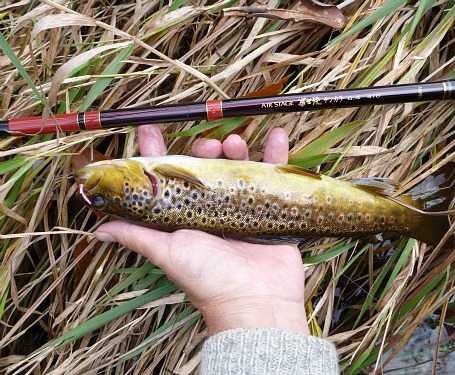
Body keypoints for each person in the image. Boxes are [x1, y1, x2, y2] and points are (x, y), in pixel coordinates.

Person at [95, 125, 340, 374]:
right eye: (99, 199)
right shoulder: (155, 182)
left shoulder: (155, 180)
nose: (95, 189)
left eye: (99, 198)